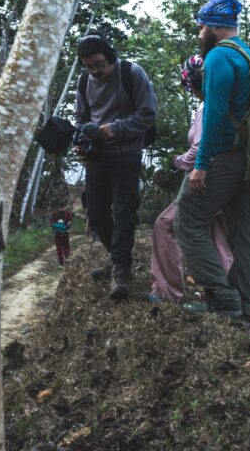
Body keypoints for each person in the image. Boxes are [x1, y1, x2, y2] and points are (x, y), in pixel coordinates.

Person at [175, 0, 250, 319]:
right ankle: (243, 304)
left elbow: (214, 114)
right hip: (249, 156)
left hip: (224, 155)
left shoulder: (218, 57)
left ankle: (224, 300)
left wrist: (201, 164)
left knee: (188, 220)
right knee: (243, 230)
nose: (199, 33)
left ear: (213, 26)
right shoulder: (246, 53)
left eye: (201, 26)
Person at [74, 32, 158, 300]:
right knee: (96, 213)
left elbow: (148, 113)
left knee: (124, 212)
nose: (94, 71)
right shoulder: (84, 79)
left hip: (127, 154)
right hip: (98, 157)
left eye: (98, 64)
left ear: (110, 58)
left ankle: (120, 269)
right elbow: (81, 116)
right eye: (88, 66)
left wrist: (117, 128)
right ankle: (116, 256)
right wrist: (82, 139)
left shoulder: (131, 73)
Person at [148, 55, 233, 303]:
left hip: (206, 177)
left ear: (193, 83)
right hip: (230, 176)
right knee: (217, 233)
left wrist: (178, 161)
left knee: (165, 225)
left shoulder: (207, 106)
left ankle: (167, 291)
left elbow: (199, 148)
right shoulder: (228, 102)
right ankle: (223, 293)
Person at [50, 202, 72, 266]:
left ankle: (61, 264)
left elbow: (51, 223)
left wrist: (55, 228)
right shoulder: (68, 213)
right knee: (66, 245)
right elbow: (69, 223)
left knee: (59, 247)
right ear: (65, 206)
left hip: (57, 233)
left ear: (59, 206)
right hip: (65, 233)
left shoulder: (54, 213)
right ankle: (67, 258)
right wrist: (66, 228)